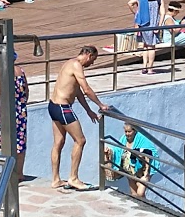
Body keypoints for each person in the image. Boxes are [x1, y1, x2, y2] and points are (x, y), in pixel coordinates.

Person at [49, 45, 108, 190]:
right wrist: (100, 105)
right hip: (63, 108)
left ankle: (56, 180)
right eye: (93, 60)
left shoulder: (69, 63)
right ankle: (73, 178)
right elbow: (86, 89)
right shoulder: (76, 65)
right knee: (80, 140)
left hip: (53, 106)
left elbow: (78, 92)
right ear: (88, 55)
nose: (92, 63)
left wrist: (89, 110)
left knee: (58, 142)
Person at [0, 64, 29, 181]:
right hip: (20, 112)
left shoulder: (3, 73)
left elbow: (0, 94)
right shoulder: (20, 71)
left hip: (5, 113)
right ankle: (19, 173)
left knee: (6, 143)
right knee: (20, 143)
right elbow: (26, 92)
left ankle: (9, 173)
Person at [106, 122, 157, 200]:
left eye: (129, 131)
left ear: (135, 131)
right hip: (130, 169)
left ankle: (144, 205)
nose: (127, 134)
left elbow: (149, 155)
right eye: (125, 131)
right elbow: (118, 150)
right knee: (134, 194)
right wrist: (109, 150)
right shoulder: (124, 139)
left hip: (143, 169)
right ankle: (141, 206)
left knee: (140, 193)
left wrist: (146, 173)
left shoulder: (142, 140)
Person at [129, 0, 169, 74]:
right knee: (151, 47)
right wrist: (159, 25)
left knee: (145, 46)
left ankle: (144, 67)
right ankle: (150, 68)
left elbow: (130, 3)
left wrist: (136, 14)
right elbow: (162, 13)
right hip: (153, 25)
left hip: (142, 24)